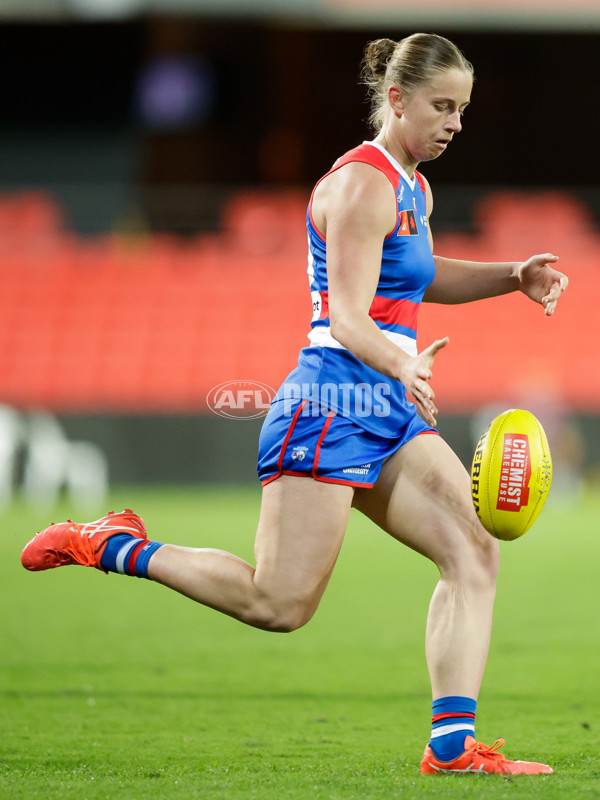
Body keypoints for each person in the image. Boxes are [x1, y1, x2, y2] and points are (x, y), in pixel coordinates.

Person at [21, 33, 568, 775]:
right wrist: (401, 361)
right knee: (278, 604)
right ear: (397, 99)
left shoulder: (415, 187)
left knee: (472, 552)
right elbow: (345, 317)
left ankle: (452, 747)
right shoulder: (360, 187)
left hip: (387, 406)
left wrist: (513, 274)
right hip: (331, 403)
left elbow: (417, 276)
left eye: (462, 110)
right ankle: (115, 544)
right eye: (442, 106)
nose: (455, 123)